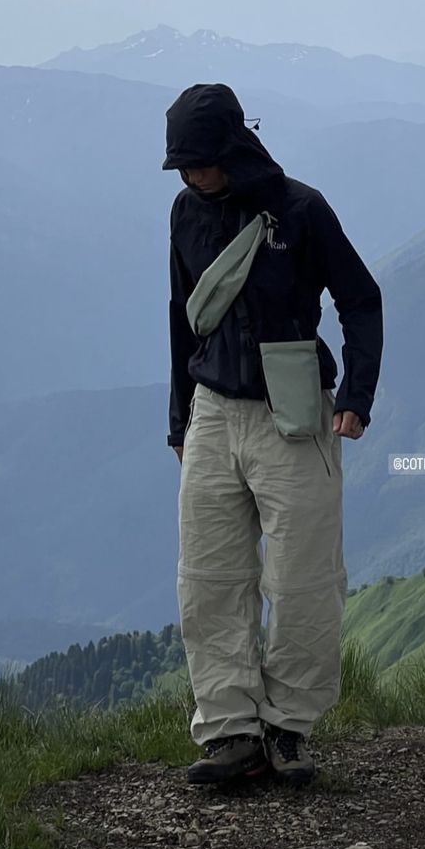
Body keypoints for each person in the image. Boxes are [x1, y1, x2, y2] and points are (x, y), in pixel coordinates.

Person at [163, 82, 383, 786]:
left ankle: (289, 729)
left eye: (201, 162)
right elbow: (182, 315)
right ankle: (230, 733)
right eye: (184, 167)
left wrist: (355, 395)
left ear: (231, 147)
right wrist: (179, 418)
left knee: (303, 580)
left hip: (293, 414)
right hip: (213, 411)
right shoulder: (186, 214)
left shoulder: (300, 210)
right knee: (209, 577)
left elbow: (360, 298)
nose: (194, 176)